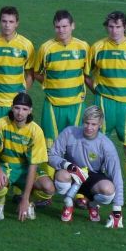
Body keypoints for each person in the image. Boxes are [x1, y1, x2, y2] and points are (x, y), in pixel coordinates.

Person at [86, 11, 126, 212]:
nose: (114, 30)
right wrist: (96, 90)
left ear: (125, 27)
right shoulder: (97, 48)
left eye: (118, 26)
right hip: (104, 105)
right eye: (111, 26)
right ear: (107, 27)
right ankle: (93, 194)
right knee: (96, 150)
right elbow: (85, 74)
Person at [49, 106, 124, 227]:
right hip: (71, 173)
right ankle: (68, 204)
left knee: (108, 191)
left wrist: (117, 208)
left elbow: (116, 173)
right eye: (86, 123)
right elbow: (52, 155)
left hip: (92, 176)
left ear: (100, 124)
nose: (89, 127)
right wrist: (67, 165)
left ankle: (92, 204)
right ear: (82, 121)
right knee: (62, 177)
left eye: (93, 124)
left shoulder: (106, 144)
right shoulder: (69, 132)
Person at [0, 92, 55, 222]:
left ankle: (29, 203)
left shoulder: (36, 131)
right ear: (12, 108)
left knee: (49, 189)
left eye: (24, 109)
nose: (20, 113)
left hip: (27, 168)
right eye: (17, 108)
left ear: (30, 111)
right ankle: (0, 204)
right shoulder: (1, 124)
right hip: (6, 165)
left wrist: (25, 199)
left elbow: (33, 165)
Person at [33, 9, 89, 159]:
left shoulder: (83, 47)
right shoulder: (46, 48)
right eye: (58, 27)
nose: (61, 30)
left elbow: (87, 72)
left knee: (75, 145)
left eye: (65, 26)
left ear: (73, 26)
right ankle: (51, 181)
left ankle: (74, 181)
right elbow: (36, 72)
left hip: (76, 104)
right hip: (52, 104)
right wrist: (51, 83)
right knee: (50, 146)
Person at [0, 6, 35, 128]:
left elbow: (30, 74)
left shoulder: (26, 45)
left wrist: (23, 94)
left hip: (15, 103)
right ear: (0, 22)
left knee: (12, 139)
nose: (7, 25)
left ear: (17, 23)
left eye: (11, 22)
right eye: (4, 21)